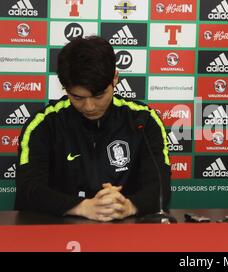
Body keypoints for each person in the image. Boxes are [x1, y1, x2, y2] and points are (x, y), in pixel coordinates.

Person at [15, 36, 171, 222]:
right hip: (57, 238)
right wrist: (82, 207)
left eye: (98, 95)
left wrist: (127, 206)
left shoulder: (144, 120)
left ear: (115, 77)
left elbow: (160, 188)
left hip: (127, 237)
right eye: (78, 97)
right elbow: (28, 190)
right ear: (64, 87)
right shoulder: (43, 124)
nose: (89, 107)